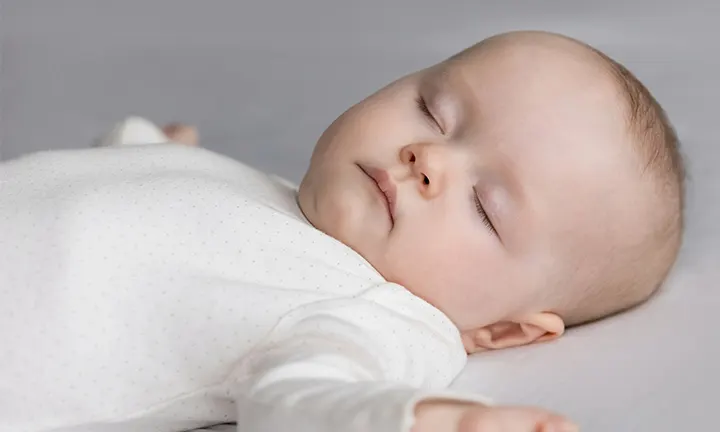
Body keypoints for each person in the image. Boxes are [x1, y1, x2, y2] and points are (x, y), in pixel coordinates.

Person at [0, 30, 684, 432]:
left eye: (485, 209)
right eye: (433, 110)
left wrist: (424, 416)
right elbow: (142, 196)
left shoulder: (369, 314)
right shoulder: (269, 189)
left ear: (503, 331)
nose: (429, 158)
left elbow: (298, 400)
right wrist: (156, 147)